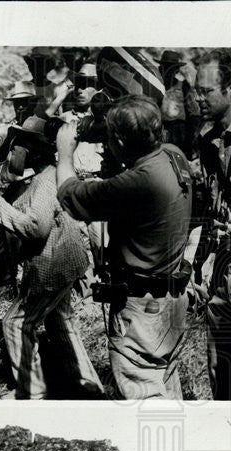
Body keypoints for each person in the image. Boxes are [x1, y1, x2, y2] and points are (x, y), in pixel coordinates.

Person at [56, 95, 194, 399]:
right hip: (171, 301)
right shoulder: (173, 155)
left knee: (143, 399)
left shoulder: (138, 183)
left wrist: (64, 152)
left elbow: (70, 196)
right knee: (163, 384)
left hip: (141, 312)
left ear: (117, 140)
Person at [0, 116, 104, 400]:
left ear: (33, 150)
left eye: (18, 146)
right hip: (65, 263)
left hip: (51, 265)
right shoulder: (50, 174)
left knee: (16, 323)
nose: (13, 152)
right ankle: (88, 384)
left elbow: (37, 229)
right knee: (61, 320)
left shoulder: (43, 182)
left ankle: (33, 390)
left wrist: (1, 209)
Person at [193, 48, 231, 400]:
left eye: (206, 92)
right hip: (220, 272)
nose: (198, 99)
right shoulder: (210, 144)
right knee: (218, 370)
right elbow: (211, 212)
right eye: (197, 91)